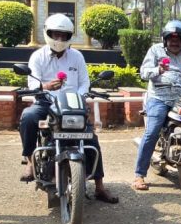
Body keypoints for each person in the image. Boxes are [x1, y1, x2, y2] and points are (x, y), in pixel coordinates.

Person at [18, 13, 117, 203]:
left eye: (64, 35)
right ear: (48, 34)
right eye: (56, 34)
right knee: (28, 117)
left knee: (91, 137)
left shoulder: (77, 56)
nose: (59, 39)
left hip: (72, 103)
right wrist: (46, 87)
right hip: (45, 102)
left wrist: (78, 98)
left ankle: (99, 186)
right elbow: (32, 83)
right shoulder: (37, 56)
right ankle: (30, 160)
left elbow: (84, 83)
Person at [133, 20, 181, 191]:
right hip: (159, 98)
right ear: (165, 40)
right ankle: (139, 175)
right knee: (151, 132)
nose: (174, 42)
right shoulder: (155, 50)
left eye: (178, 39)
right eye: (171, 39)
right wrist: (158, 70)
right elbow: (143, 73)